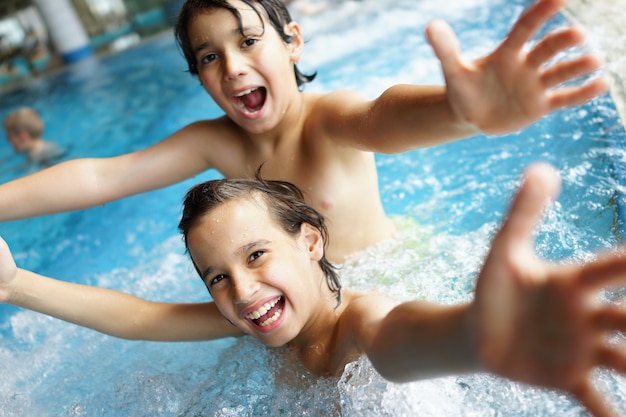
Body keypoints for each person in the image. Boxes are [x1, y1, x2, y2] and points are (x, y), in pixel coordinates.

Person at [0, 0, 608, 263]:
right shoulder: (217, 142)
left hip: (390, 272)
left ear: (292, 42)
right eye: (209, 57)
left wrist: (461, 111)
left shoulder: (329, 118)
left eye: (247, 41)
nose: (233, 66)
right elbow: (107, 174)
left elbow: (384, 117)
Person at [1, 163, 626, 417]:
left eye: (256, 255)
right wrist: (16, 283)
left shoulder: (361, 320)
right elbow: (141, 318)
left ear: (310, 242)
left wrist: (481, 336)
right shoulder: (263, 320)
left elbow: (405, 339)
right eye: (217, 277)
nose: (242, 290)